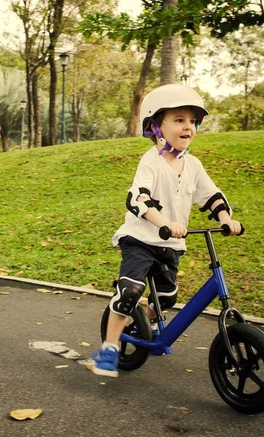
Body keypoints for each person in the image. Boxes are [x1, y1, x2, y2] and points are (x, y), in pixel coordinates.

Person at [89, 83, 242, 377]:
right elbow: (139, 199)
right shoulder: (151, 162)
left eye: (193, 121)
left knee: (168, 297)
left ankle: (143, 322)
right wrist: (164, 223)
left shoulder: (193, 165)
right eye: (179, 120)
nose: (189, 127)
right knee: (130, 291)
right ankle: (108, 349)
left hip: (170, 245)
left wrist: (224, 218)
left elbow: (211, 196)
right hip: (141, 239)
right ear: (156, 126)